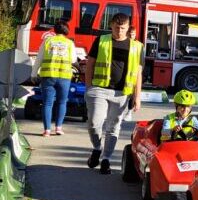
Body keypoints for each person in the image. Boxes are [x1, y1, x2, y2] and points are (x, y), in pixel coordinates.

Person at [84, 13, 144, 175]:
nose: (119, 31)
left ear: (128, 27)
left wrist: (137, 97)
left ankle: (106, 159)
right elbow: (90, 64)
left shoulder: (137, 47)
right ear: (111, 25)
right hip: (99, 89)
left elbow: (138, 73)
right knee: (94, 123)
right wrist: (88, 86)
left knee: (113, 127)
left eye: (123, 28)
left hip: (122, 93)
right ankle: (97, 148)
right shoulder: (101, 41)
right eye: (117, 27)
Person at [31, 21, 77, 136]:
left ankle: (47, 130)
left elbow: (39, 58)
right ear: (66, 30)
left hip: (48, 76)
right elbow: (73, 60)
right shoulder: (69, 43)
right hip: (64, 77)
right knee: (62, 102)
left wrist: (33, 74)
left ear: (55, 30)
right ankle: (58, 128)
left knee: (47, 103)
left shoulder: (47, 41)